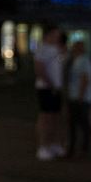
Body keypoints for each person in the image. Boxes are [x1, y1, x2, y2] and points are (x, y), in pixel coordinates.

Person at [34, 27, 66, 161]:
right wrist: (50, 83)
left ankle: (53, 143)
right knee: (46, 116)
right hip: (46, 88)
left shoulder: (55, 49)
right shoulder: (43, 49)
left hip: (55, 88)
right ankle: (43, 146)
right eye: (55, 35)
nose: (57, 37)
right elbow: (39, 68)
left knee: (56, 116)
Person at [65, 38, 91, 157]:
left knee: (80, 122)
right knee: (77, 122)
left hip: (80, 97)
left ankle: (81, 146)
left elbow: (85, 79)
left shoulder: (83, 60)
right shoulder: (75, 60)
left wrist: (80, 96)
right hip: (75, 95)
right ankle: (77, 145)